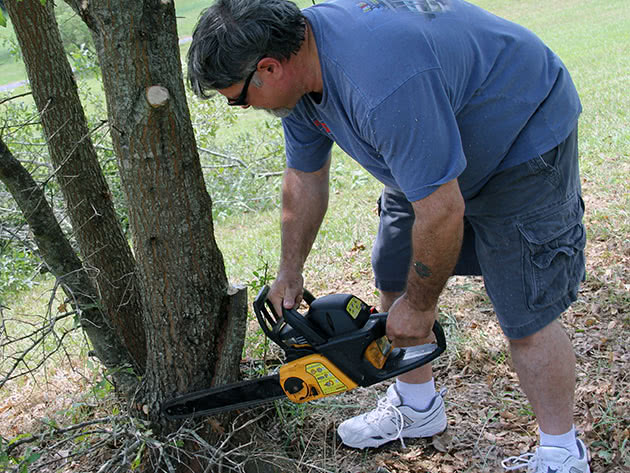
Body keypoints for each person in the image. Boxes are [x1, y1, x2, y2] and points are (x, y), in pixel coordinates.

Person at [187, 0, 590, 471]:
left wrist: (421, 307)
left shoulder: (378, 82)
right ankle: (418, 407)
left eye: (238, 98)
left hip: (518, 134)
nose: (244, 108)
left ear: (270, 68)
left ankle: (562, 452)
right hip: (425, 151)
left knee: (525, 310)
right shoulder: (297, 78)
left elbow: (442, 211)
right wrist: (289, 272)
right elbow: (305, 177)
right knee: (394, 268)